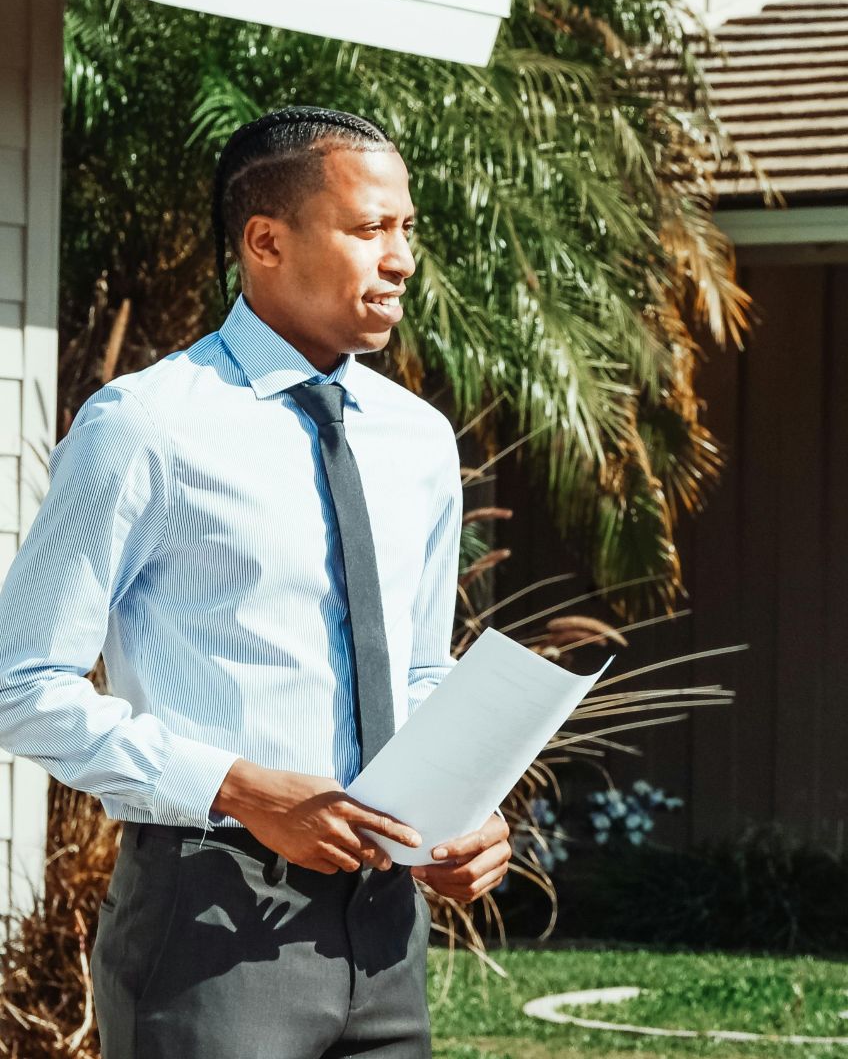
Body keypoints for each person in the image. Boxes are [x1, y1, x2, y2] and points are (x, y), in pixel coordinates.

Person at [0, 107, 510, 1058]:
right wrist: (239, 791)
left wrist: (467, 810)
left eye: (407, 229)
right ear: (266, 241)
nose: (400, 259)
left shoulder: (419, 442)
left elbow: (418, 675)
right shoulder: (145, 426)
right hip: (208, 923)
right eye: (369, 230)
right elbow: (20, 684)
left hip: (389, 931)